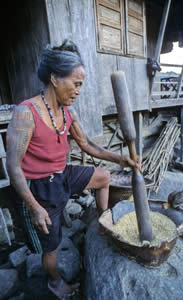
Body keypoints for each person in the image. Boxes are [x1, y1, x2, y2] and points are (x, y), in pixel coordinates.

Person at [6, 39, 139, 299]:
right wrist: (34, 206)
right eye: (76, 84)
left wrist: (121, 159)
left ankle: (103, 223)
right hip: (39, 187)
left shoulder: (69, 112)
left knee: (103, 177)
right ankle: (54, 282)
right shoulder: (26, 113)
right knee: (51, 247)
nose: (79, 90)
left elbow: (88, 145)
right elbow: (13, 166)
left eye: (81, 85)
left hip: (62, 174)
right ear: (55, 78)